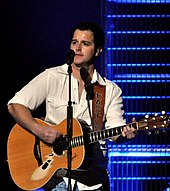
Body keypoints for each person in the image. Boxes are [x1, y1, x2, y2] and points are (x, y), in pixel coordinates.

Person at [7, 21, 136, 191]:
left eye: (85, 43)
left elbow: (115, 132)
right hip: (56, 178)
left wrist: (126, 134)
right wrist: (40, 130)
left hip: (93, 182)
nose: (78, 48)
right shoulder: (52, 77)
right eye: (74, 42)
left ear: (98, 50)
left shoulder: (109, 90)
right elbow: (15, 105)